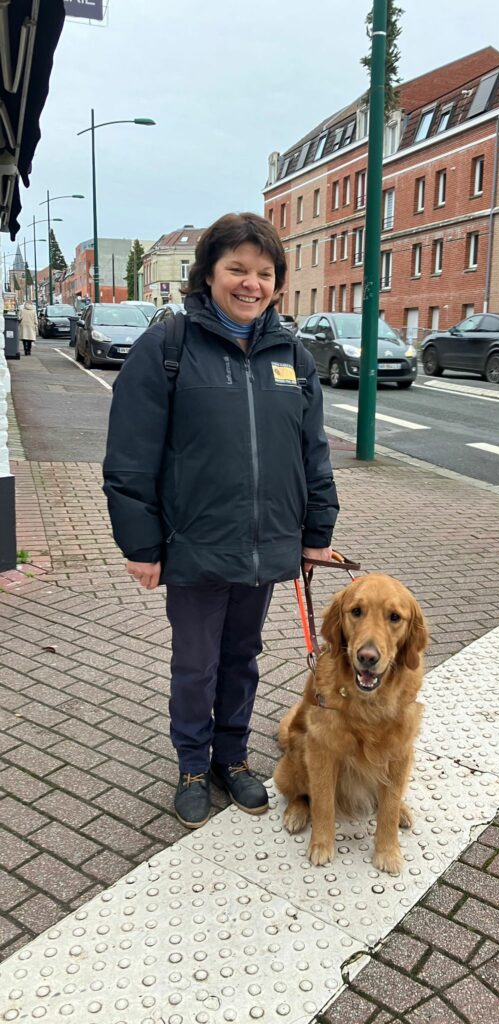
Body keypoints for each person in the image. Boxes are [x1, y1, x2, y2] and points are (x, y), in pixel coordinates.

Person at [103, 212, 339, 829]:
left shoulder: (293, 354)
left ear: (277, 284)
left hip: (266, 548)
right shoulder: (169, 348)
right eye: (236, 268)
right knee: (196, 662)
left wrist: (317, 534)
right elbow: (130, 454)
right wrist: (140, 544)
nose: (250, 283)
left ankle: (230, 759)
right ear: (209, 273)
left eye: (264, 273)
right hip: (194, 543)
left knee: (243, 658)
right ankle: (190, 764)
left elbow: (311, 451)